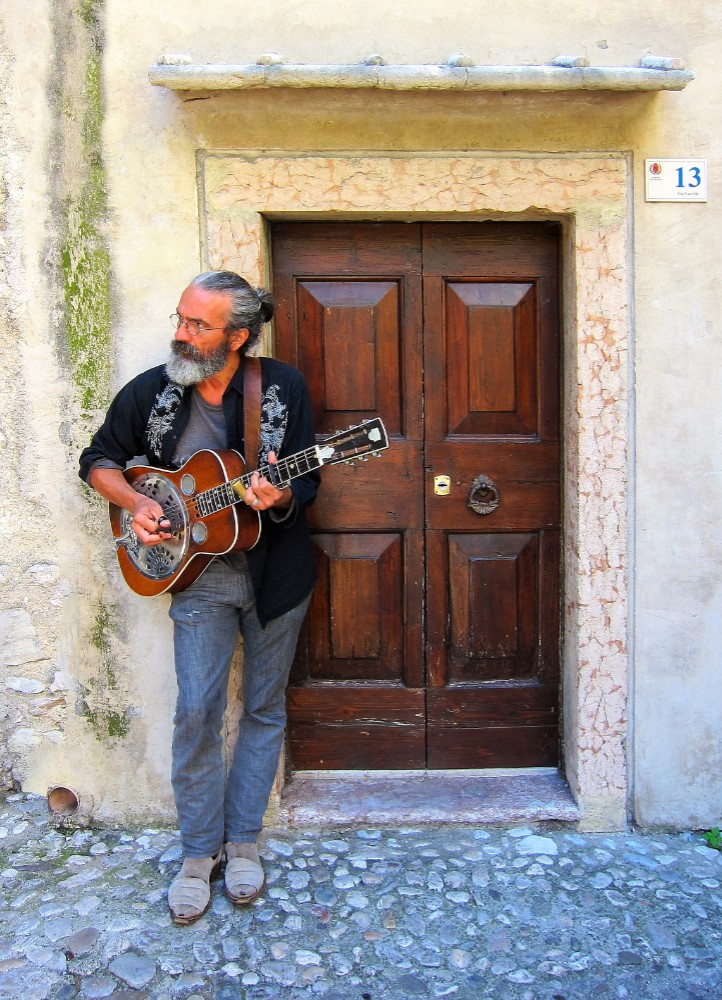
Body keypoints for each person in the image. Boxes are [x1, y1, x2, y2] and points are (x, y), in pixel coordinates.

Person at [79, 270, 320, 924]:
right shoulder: (154, 391)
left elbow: (308, 476)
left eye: (197, 325)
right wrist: (135, 504)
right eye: (180, 319)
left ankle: (242, 842)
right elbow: (98, 459)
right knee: (197, 712)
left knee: (264, 709)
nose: (180, 334)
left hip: (275, 573)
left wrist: (282, 493)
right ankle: (196, 853)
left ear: (237, 336)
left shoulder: (282, 389)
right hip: (196, 576)